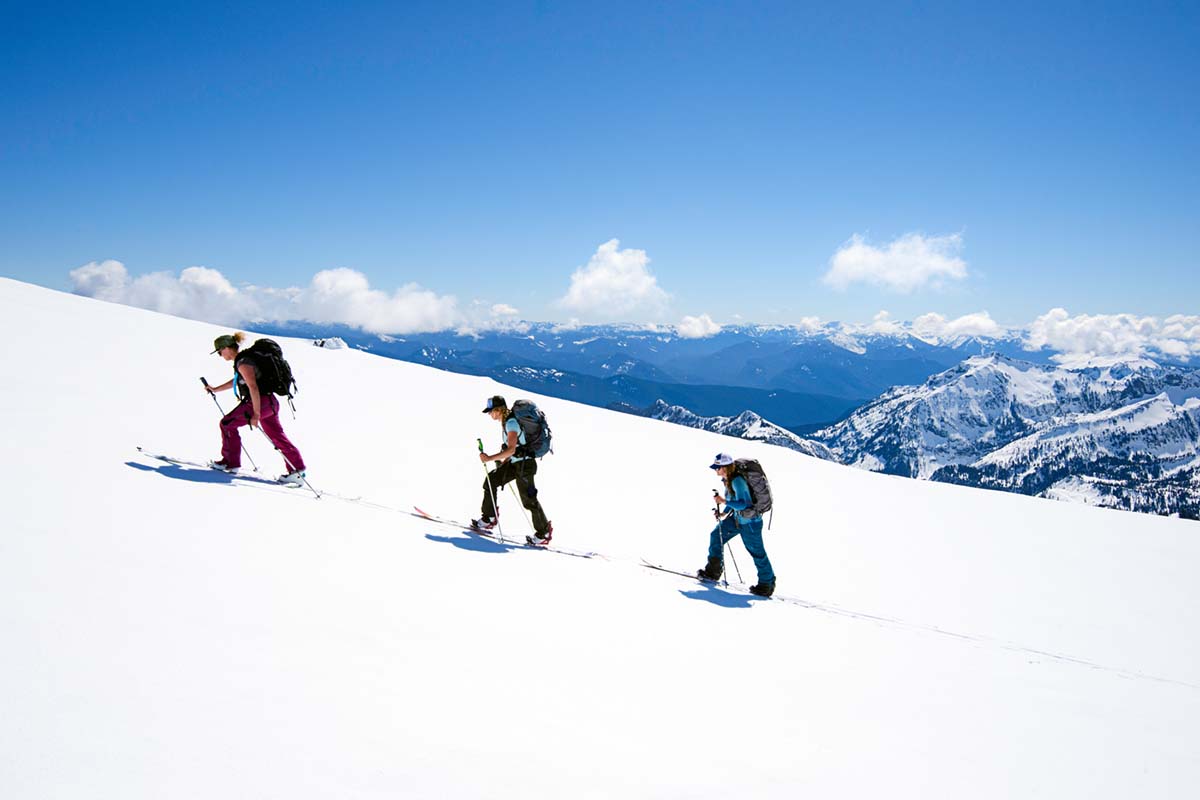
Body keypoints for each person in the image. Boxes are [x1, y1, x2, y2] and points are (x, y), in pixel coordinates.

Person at [205, 332, 308, 485]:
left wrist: (256, 414)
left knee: (226, 424)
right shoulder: (246, 360)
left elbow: (252, 387)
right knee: (277, 435)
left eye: (220, 351)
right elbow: (238, 381)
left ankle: (229, 463)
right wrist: (216, 389)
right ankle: (297, 470)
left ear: (227, 348)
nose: (220, 355)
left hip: (259, 403)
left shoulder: (243, 362)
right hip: (271, 402)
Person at [472, 395, 553, 545]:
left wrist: (489, 458)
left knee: (529, 500)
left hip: (525, 467)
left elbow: (510, 449)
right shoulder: (506, 423)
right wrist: (503, 463)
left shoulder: (511, 423)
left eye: (491, 411)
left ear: (499, 410)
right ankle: (489, 517)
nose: (490, 414)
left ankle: (544, 533)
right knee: (492, 480)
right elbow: (515, 451)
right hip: (516, 464)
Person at [696, 453, 776, 596]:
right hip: (738, 519)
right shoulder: (728, 479)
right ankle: (713, 571)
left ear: (725, 467)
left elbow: (744, 504)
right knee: (716, 536)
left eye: (718, 467)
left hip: (750, 522)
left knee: (757, 553)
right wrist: (723, 513)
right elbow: (734, 499)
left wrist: (723, 502)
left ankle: (767, 584)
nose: (716, 471)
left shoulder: (737, 481)